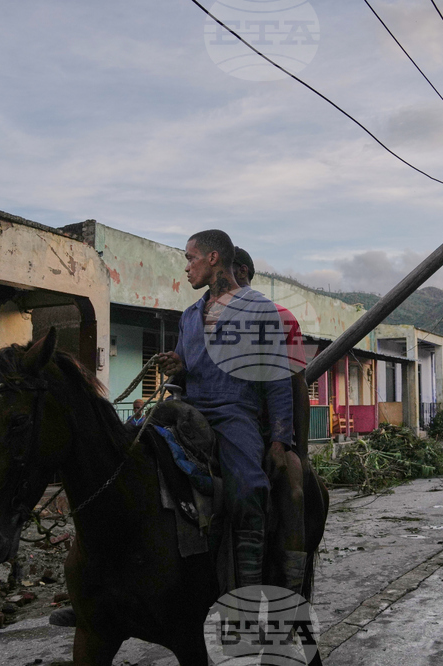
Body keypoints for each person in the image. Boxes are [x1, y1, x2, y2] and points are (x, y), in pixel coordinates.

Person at [158, 230, 293, 590]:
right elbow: (185, 365)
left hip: (232, 413)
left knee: (249, 486)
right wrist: (176, 364)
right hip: (185, 408)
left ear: (213, 258)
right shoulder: (189, 315)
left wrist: (280, 440)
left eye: (190, 258)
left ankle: (249, 585)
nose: (186, 268)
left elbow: (277, 378)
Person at [232, 246, 308, 593]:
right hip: (215, 424)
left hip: (263, 430)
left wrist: (294, 449)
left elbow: (294, 385)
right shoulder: (201, 316)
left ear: (244, 272)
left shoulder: (280, 318)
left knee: (293, 491)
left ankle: (291, 586)